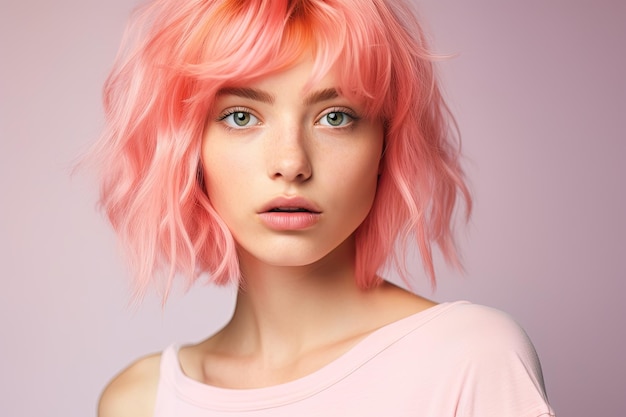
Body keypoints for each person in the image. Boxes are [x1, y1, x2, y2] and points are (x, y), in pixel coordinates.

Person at [91, 0, 555, 416]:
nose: (291, 163)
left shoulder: (469, 358)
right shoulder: (141, 401)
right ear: (190, 151)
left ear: (385, 147)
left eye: (335, 117)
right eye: (241, 116)